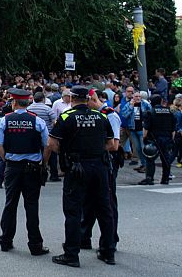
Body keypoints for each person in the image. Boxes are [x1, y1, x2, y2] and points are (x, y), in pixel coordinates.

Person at [49, 85, 116, 267]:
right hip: (99, 167)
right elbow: (111, 144)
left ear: (71, 99)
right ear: (87, 99)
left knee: (73, 210)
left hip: (77, 167)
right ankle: (108, 251)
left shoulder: (65, 117)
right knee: (104, 209)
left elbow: (52, 144)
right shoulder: (101, 116)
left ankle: (71, 254)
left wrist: (69, 153)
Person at [0, 88, 50, 256]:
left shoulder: (5, 120)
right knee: (31, 206)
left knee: (10, 204)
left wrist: (6, 159)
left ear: (13, 102)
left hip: (13, 167)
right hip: (32, 166)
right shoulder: (37, 121)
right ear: (28, 102)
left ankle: (6, 240)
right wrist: (43, 163)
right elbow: (47, 145)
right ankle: (35, 245)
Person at [81, 90, 121, 250]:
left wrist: (91, 148)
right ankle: (84, 236)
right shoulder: (94, 114)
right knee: (88, 201)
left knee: (107, 203)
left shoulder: (109, 115)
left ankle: (110, 240)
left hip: (107, 161)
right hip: (95, 162)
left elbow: (114, 145)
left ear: (93, 100)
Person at [138, 94, 175, 185]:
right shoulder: (169, 112)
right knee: (166, 159)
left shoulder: (150, 112)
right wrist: (171, 140)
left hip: (154, 139)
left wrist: (144, 138)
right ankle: (165, 179)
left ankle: (149, 178)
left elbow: (146, 128)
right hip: (167, 138)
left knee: (150, 159)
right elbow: (173, 129)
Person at [28, 92, 58, 181]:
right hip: (48, 135)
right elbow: (55, 122)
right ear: (43, 99)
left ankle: (35, 173)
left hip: (33, 136)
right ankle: (53, 175)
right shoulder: (48, 109)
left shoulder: (29, 108)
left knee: (35, 155)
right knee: (52, 156)